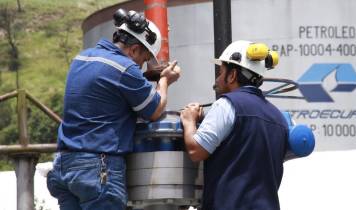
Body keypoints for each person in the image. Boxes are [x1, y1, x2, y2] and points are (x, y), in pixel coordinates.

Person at [46, 9, 180, 210]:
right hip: (97, 169)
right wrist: (164, 80)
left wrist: (143, 78)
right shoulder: (125, 69)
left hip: (64, 166)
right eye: (143, 59)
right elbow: (154, 110)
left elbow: (107, 88)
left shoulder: (82, 59)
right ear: (134, 50)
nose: (141, 66)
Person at [180, 40, 288, 210]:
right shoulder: (279, 118)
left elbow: (196, 150)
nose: (218, 77)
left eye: (221, 71)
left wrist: (189, 121)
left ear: (232, 75)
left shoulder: (226, 105)